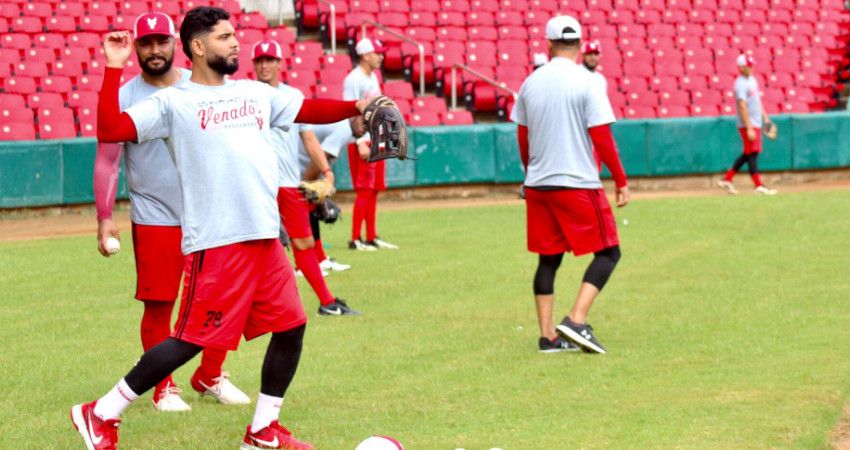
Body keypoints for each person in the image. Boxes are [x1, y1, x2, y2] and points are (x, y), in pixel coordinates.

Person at [71, 7, 374, 449]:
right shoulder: (173, 102)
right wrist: (112, 69)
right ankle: (100, 412)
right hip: (218, 241)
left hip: (264, 238)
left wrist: (358, 106)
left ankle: (262, 430)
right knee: (191, 340)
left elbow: (308, 107)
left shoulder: (255, 92)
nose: (236, 43)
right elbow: (111, 129)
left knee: (291, 326)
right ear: (197, 46)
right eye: (224, 37)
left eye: (235, 35)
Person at [92, 11, 250, 411]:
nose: (155, 49)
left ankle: (210, 374)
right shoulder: (126, 94)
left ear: (176, 43)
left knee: (223, 300)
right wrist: (104, 217)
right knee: (160, 303)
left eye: (162, 41)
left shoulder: (204, 83)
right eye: (145, 43)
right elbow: (108, 159)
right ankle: (164, 387)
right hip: (155, 214)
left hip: (210, 212)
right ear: (135, 47)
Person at [511, 15, 629, 354]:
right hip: (576, 183)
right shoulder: (588, 81)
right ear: (579, 44)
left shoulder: (531, 82)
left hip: (539, 184)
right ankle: (576, 320)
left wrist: (529, 173)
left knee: (548, 259)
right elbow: (602, 137)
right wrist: (620, 180)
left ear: (548, 44)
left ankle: (548, 337)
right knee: (609, 251)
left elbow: (524, 138)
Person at [252, 38, 359, 315]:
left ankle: (326, 301)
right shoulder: (246, 96)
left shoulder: (292, 96)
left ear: (279, 64)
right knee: (253, 246)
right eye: (259, 60)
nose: (264, 64)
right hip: (256, 183)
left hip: (287, 183)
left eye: (269, 60)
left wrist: (326, 170)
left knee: (304, 242)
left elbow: (308, 137)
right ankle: (262, 305)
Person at [344, 37, 398, 251]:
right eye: (378, 53)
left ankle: (371, 236)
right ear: (366, 55)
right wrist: (359, 141)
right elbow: (350, 111)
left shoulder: (373, 77)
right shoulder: (353, 79)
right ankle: (355, 239)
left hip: (375, 139)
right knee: (365, 190)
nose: (381, 56)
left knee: (374, 190)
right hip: (362, 141)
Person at [297, 119, 365, 271]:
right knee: (300, 215)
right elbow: (318, 160)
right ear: (355, 116)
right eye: (364, 123)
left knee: (311, 210)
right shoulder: (344, 130)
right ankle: (301, 266)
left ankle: (319, 259)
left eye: (369, 128)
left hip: (299, 167)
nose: (364, 130)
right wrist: (307, 188)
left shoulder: (344, 127)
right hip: (293, 168)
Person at [717, 54, 778, 195]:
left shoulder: (752, 80)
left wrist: (766, 118)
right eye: (748, 66)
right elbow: (742, 106)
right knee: (753, 153)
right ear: (741, 68)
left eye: (751, 65)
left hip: (756, 122)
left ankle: (727, 179)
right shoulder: (740, 84)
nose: (751, 67)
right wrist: (749, 127)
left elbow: (757, 101)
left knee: (748, 153)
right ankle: (758, 186)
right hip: (748, 124)